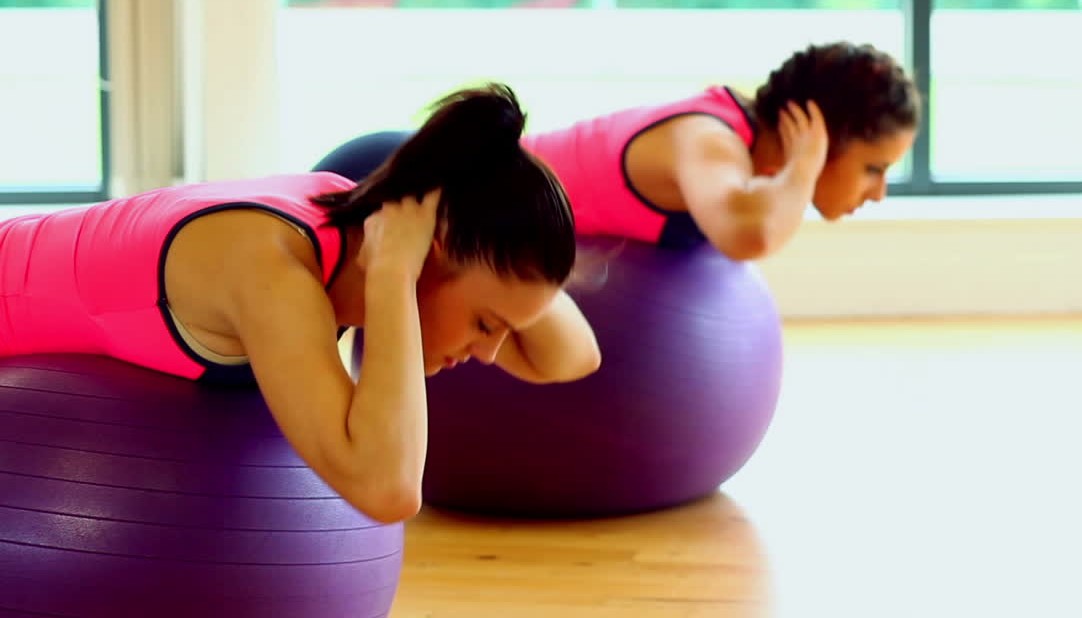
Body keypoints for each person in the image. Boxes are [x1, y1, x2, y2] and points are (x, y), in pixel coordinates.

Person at [0, 83, 601, 524]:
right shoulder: (272, 271)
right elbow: (387, 491)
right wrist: (393, 278)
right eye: (484, 323)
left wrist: (504, 233)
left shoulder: (357, 215)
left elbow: (568, 360)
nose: (493, 352)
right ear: (427, 250)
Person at [316, 41, 920, 260]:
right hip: (396, 182)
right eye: (873, 167)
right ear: (819, 134)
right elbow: (749, 235)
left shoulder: (738, 151)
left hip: (443, 207)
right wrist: (804, 166)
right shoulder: (709, 141)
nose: (879, 190)